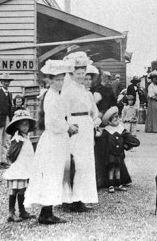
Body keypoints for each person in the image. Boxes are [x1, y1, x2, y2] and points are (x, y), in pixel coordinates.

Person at [24, 59, 78, 225]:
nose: (60, 82)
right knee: (50, 174)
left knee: (54, 174)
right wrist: (68, 127)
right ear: (50, 80)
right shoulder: (51, 97)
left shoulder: (56, 95)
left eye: (62, 79)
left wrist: (67, 125)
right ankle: (46, 213)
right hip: (53, 140)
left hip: (57, 140)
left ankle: (47, 211)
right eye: (57, 80)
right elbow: (52, 123)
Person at [62, 52, 101, 212]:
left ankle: (82, 197)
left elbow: (94, 111)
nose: (80, 76)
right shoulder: (67, 90)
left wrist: (96, 121)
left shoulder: (86, 92)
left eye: (83, 73)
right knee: (75, 162)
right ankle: (71, 199)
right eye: (77, 73)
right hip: (75, 126)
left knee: (86, 163)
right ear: (71, 74)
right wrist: (67, 127)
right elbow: (62, 113)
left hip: (87, 127)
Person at [3, 109, 36, 222]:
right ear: (17, 125)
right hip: (19, 168)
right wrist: (13, 163)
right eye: (22, 124)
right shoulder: (18, 138)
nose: (25, 126)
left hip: (25, 168)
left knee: (22, 190)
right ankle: (11, 213)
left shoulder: (25, 137)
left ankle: (22, 211)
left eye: (27, 123)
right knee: (15, 190)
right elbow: (11, 153)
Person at [101, 106, 140, 192]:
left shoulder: (121, 129)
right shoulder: (107, 131)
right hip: (110, 153)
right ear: (109, 122)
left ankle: (119, 184)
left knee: (118, 168)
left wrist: (127, 145)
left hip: (119, 153)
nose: (117, 121)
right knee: (111, 169)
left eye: (118, 119)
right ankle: (110, 184)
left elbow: (129, 139)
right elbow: (103, 143)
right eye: (115, 120)